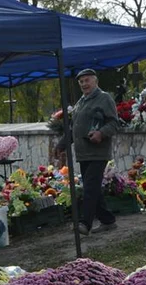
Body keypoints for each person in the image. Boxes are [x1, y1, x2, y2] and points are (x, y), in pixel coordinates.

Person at [56, 68, 120, 235]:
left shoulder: (104, 98)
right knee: (94, 189)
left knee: (90, 188)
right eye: (81, 81)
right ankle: (108, 220)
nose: (84, 84)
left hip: (98, 152)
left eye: (87, 80)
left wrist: (101, 133)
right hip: (83, 153)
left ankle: (85, 223)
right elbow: (73, 128)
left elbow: (114, 123)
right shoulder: (81, 102)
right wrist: (61, 144)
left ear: (95, 81)